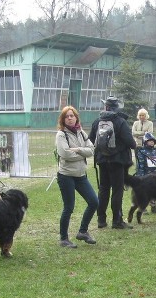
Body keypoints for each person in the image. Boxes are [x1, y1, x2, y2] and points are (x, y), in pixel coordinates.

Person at [89, 96, 137, 229]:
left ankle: (101, 220)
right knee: (117, 191)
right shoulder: (120, 122)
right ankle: (117, 221)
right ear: (116, 108)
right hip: (118, 162)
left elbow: (90, 140)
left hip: (102, 160)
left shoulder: (97, 121)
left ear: (106, 107)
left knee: (103, 190)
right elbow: (131, 143)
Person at [55, 106, 98, 247]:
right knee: (69, 207)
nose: (70, 118)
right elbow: (65, 154)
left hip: (81, 175)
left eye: (72, 115)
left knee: (94, 202)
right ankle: (63, 238)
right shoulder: (61, 134)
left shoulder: (81, 132)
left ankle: (83, 231)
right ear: (63, 119)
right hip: (66, 176)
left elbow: (91, 150)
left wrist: (79, 150)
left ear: (76, 117)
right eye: (67, 116)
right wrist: (82, 154)